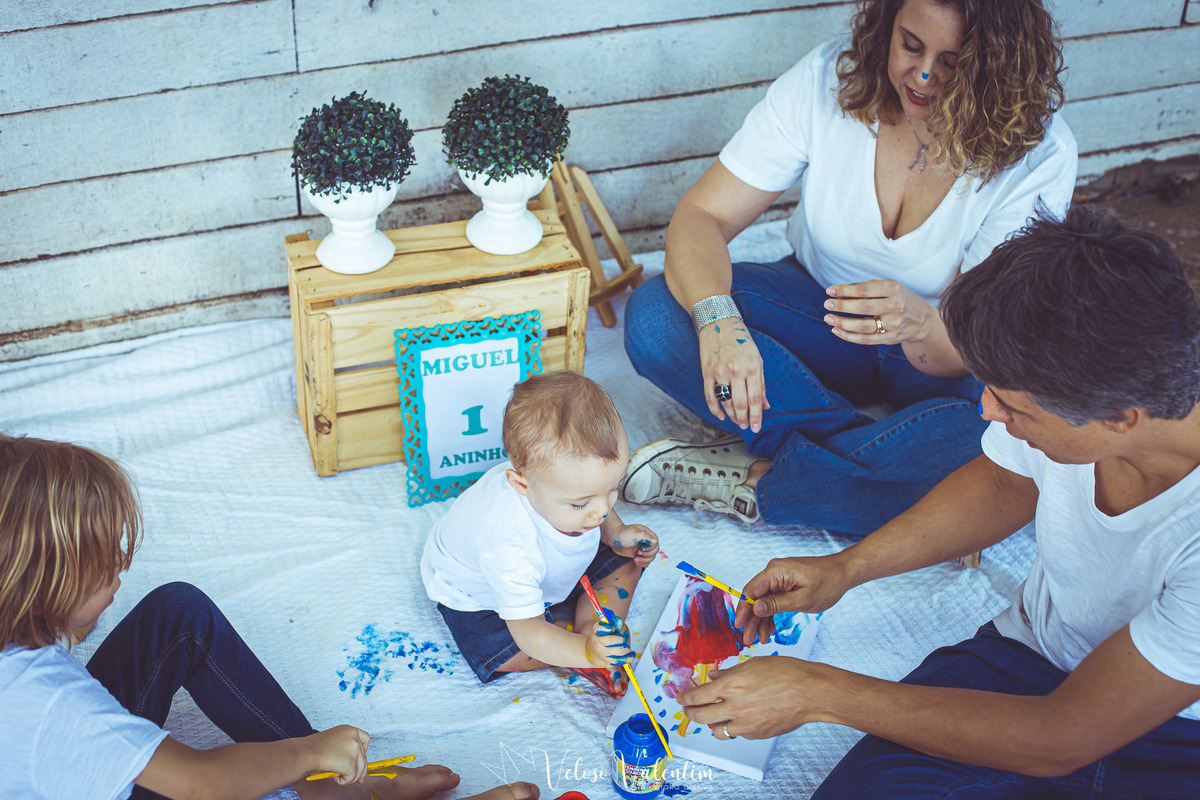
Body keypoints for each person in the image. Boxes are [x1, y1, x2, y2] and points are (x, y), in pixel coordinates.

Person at [674, 205, 1200, 798]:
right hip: (1029, 658)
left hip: (1175, 738)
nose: (987, 412)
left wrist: (818, 693)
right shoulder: (1086, 395)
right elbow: (1004, 482)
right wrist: (846, 568)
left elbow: (1061, 738)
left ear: (1120, 419)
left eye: (1014, 408)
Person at [621, 0, 1078, 535]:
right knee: (656, 317)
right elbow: (704, 215)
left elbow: (970, 349)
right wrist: (718, 322)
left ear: (997, 68)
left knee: (993, 441)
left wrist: (918, 322)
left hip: (944, 348)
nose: (923, 75)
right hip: (818, 308)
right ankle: (873, 458)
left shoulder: (1039, 155)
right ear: (887, 26)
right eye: (910, 45)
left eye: (953, 63)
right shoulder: (827, 80)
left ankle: (762, 479)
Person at [0, 433, 539, 800]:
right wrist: (307, 751)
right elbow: (201, 782)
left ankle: (326, 791)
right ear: (44, 579)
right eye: (103, 558)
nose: (123, 562)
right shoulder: (52, 703)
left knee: (178, 612)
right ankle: (320, 779)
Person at [421, 371, 659, 696]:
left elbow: (596, 502)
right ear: (521, 484)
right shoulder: (507, 545)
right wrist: (585, 653)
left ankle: (591, 628)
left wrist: (616, 532)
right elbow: (527, 629)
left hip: (551, 564)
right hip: (482, 600)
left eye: (611, 489)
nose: (602, 511)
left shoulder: (563, 490)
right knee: (506, 651)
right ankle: (579, 644)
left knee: (627, 559)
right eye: (581, 503)